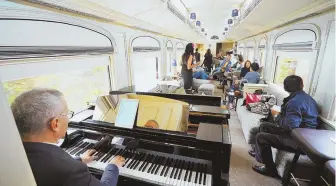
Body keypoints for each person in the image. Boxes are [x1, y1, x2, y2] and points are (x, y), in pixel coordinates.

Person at [11, 89, 125, 186]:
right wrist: (112, 167)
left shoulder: (12, 154)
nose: (69, 119)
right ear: (55, 123)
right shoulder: (68, 169)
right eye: (67, 114)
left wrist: (80, 160)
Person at [249, 75, 318, 178]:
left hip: (298, 141)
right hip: (306, 137)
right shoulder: (309, 99)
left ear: (286, 87)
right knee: (264, 125)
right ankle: (259, 154)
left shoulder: (294, 102)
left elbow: (290, 126)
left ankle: (270, 170)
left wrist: (277, 116)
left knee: (261, 137)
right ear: (301, 85)